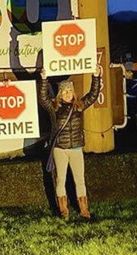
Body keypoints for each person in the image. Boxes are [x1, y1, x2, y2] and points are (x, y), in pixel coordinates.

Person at [37, 65, 102, 220]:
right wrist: (44, 80)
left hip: (76, 149)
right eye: (64, 91)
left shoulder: (79, 106)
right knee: (61, 179)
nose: (67, 94)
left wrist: (96, 77)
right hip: (60, 149)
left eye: (70, 91)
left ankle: (84, 210)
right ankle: (63, 211)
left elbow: (93, 95)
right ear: (60, 93)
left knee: (80, 180)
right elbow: (43, 98)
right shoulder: (54, 107)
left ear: (73, 92)